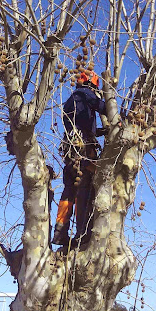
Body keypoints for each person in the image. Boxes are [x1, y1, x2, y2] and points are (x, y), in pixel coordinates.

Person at [52, 70, 107, 247]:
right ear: (92, 84)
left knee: (69, 189)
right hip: (83, 150)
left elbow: (79, 125)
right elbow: (103, 107)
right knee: (84, 187)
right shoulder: (86, 94)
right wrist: (118, 118)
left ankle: (60, 232)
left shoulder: (71, 101)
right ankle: (82, 234)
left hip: (70, 150)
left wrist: (99, 132)